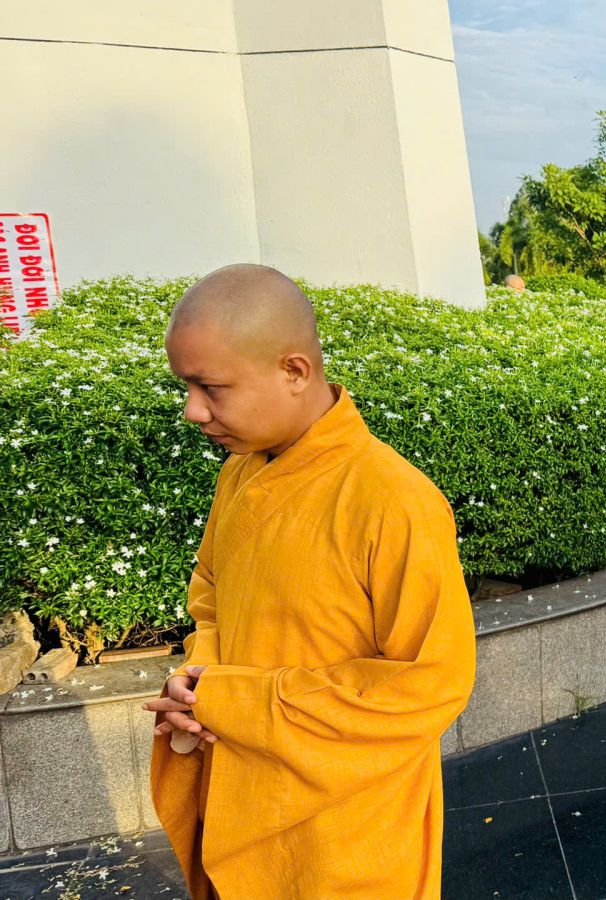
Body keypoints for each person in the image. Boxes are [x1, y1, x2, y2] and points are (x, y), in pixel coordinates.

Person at [147, 264, 476, 900]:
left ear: (294, 371)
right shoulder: (242, 473)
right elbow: (211, 592)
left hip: (344, 829)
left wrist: (233, 701)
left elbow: (430, 683)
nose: (193, 411)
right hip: (240, 788)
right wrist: (196, 681)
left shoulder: (393, 500)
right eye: (186, 386)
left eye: (211, 387)